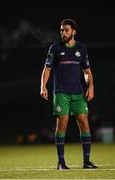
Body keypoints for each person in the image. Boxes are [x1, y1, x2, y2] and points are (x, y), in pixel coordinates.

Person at [40, 18, 98, 170]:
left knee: (84, 122)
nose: (63, 33)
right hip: (61, 93)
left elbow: (87, 71)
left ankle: (86, 161)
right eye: (61, 30)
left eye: (66, 30)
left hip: (78, 92)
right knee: (62, 124)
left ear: (73, 31)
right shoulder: (55, 48)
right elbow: (47, 69)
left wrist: (90, 86)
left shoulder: (81, 49)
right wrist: (43, 86)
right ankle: (61, 163)